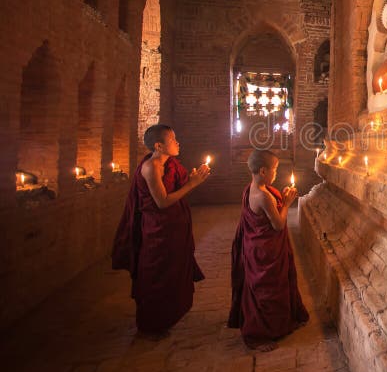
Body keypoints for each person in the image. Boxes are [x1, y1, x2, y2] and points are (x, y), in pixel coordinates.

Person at [111, 124, 211, 335]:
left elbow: (178, 187)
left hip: (173, 227)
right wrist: (192, 184)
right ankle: (151, 324)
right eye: (173, 140)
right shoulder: (152, 167)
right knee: (156, 273)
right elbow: (162, 202)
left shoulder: (171, 163)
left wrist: (192, 178)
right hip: (158, 229)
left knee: (172, 271)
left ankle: (169, 314)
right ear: (159, 145)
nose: (177, 143)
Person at [228, 150, 308, 350]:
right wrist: (288, 203)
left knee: (267, 288)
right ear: (263, 171)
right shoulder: (263, 196)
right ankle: (258, 335)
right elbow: (279, 224)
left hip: (256, 247)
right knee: (267, 289)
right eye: (274, 169)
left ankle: (278, 324)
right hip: (266, 252)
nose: (275, 173)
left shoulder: (250, 189)